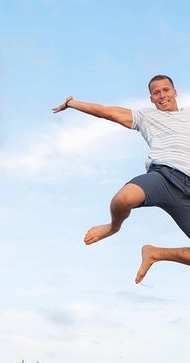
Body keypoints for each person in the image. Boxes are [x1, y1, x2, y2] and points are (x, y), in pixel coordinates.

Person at [52, 75, 190, 284]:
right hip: (165, 176)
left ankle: (155, 253)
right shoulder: (146, 117)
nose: (162, 95)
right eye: (156, 92)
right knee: (124, 198)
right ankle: (113, 227)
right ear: (151, 98)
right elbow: (106, 112)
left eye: (166, 90)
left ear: (175, 92)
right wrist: (72, 103)